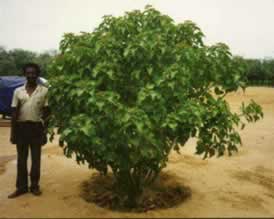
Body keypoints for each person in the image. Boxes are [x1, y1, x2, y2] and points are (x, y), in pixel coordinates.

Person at [8, 63, 49, 198]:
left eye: (33, 73)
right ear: (25, 74)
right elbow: (14, 112)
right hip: (21, 128)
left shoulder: (44, 91)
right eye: (28, 73)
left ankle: (35, 186)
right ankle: (21, 187)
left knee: (36, 160)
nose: (31, 75)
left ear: (37, 74)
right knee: (21, 160)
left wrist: (45, 132)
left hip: (37, 128)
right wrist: (13, 133)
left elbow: (46, 113)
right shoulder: (18, 91)